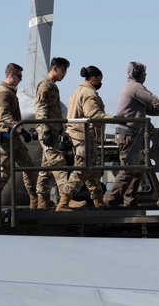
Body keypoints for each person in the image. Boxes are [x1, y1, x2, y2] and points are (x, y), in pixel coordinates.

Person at [103, 61, 159, 208]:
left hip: (133, 134)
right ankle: (109, 200)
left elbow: (150, 109)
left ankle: (130, 200)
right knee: (129, 169)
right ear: (136, 73)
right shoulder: (136, 88)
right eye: (143, 72)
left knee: (137, 169)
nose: (145, 75)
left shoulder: (133, 88)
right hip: (128, 134)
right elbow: (155, 101)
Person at [56, 65, 111, 211]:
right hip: (83, 137)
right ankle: (63, 202)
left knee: (91, 170)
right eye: (99, 79)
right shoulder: (88, 93)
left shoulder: (77, 92)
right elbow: (93, 114)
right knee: (81, 170)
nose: (100, 82)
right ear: (94, 78)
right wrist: (115, 118)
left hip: (80, 136)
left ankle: (98, 200)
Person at [0, 62, 37, 210]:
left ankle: (34, 200)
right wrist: (21, 130)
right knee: (4, 172)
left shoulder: (10, 92)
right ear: (11, 75)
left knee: (29, 167)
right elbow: (4, 116)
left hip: (12, 137)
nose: (20, 79)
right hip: (5, 137)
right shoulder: (3, 93)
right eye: (19, 76)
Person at [33, 56, 70, 209]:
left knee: (46, 168)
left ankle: (41, 200)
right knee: (58, 163)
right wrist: (46, 130)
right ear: (55, 68)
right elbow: (41, 109)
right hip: (47, 132)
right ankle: (65, 199)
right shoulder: (45, 86)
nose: (65, 74)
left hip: (53, 131)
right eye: (63, 70)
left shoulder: (52, 86)